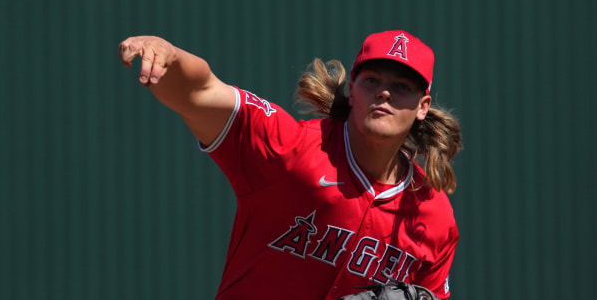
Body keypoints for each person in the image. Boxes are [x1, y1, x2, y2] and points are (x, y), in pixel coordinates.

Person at [118, 30, 462, 300]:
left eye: (402, 86)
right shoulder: (291, 149)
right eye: (372, 80)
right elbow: (202, 93)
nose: (384, 93)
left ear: (422, 106)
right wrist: (171, 58)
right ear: (352, 90)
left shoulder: (433, 217)